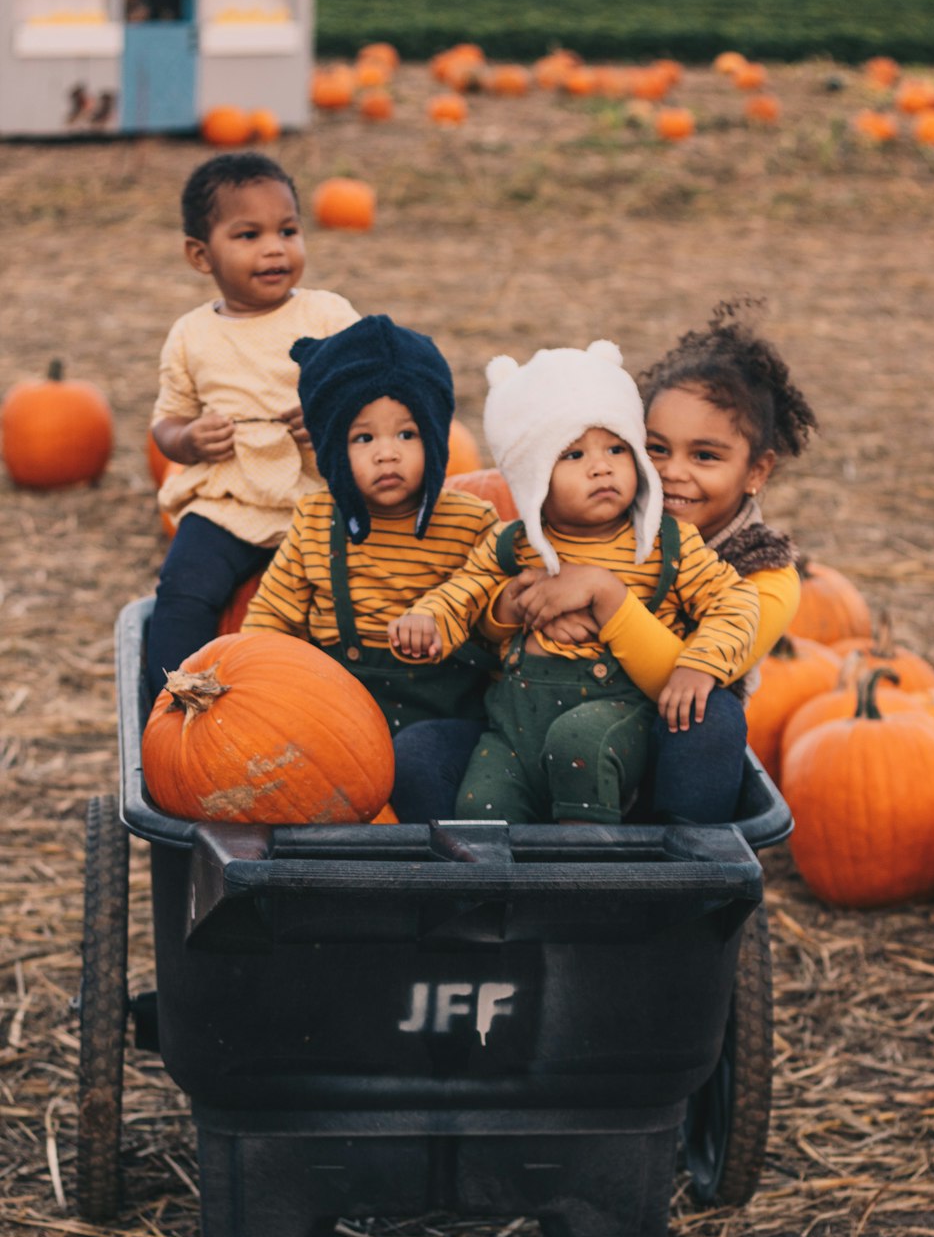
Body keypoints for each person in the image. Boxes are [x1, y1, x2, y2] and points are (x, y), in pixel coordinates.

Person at [389, 340, 760, 825]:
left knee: (578, 744)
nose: (601, 466)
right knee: (482, 806)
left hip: (613, 715)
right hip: (514, 727)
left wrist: (701, 665)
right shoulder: (511, 544)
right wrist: (428, 619)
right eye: (572, 455)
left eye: (616, 448)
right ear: (530, 480)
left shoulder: (668, 544)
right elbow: (464, 590)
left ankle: (584, 881)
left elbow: (735, 601)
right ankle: (495, 898)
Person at [240, 315, 502, 821]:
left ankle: (445, 888)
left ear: (436, 437)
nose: (387, 454)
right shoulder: (316, 523)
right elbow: (270, 626)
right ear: (333, 447)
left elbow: (497, 608)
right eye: (363, 439)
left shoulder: (473, 523)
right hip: (340, 724)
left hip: (448, 723)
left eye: (407, 434)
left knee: (417, 763)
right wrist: (249, 693)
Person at [144, 151, 359, 700]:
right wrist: (187, 441)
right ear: (200, 255)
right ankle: (175, 702)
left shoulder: (328, 317)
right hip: (228, 502)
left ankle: (345, 702)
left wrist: (333, 419)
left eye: (288, 230)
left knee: (353, 598)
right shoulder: (192, 335)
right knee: (183, 592)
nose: (274, 248)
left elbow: (374, 398)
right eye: (248, 235)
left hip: (319, 500)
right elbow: (166, 422)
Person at [615, 299, 818, 821]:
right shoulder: (605, 521)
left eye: (704, 456)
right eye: (657, 449)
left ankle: (684, 881)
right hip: (567, 736)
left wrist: (606, 602)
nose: (673, 472)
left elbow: (683, 676)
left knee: (711, 715)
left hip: (669, 769)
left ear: (757, 470)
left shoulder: (766, 572)